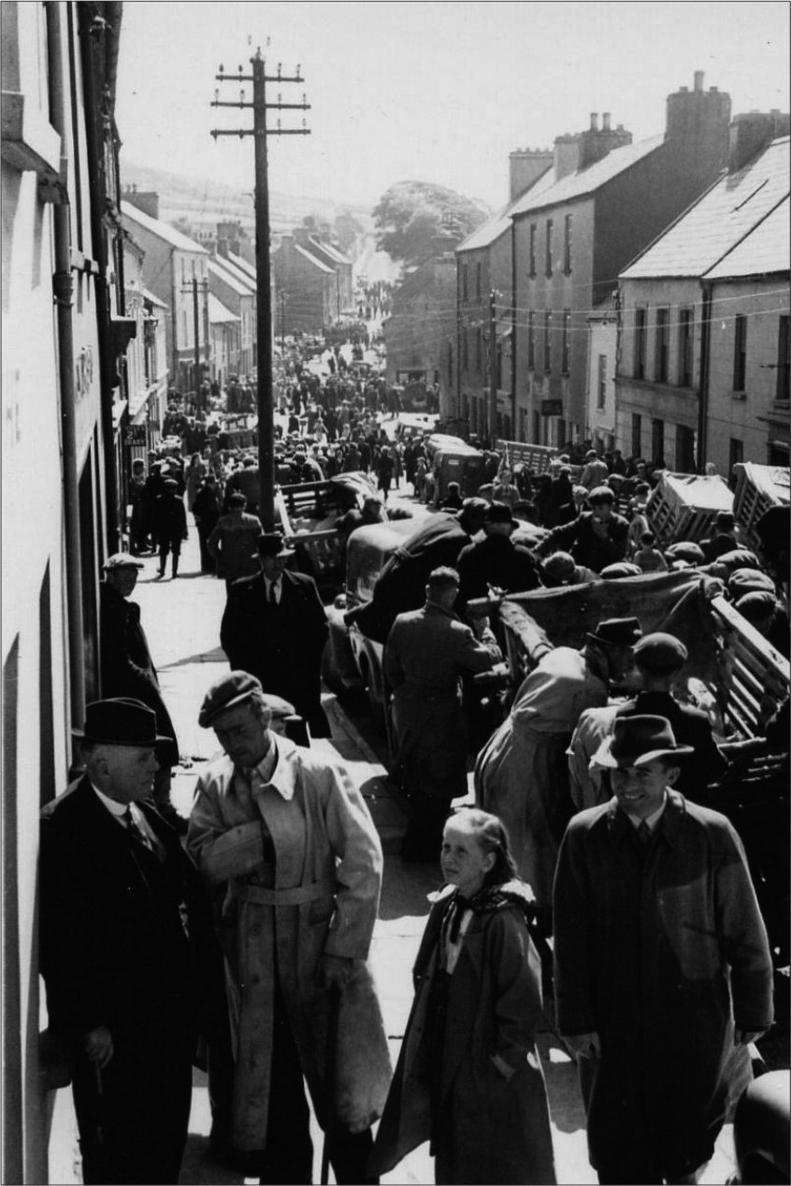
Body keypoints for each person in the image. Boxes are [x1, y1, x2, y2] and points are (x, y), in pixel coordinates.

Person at [553, 714, 774, 1186]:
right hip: (611, 1028)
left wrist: (754, 1013)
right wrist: (575, 1020)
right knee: (618, 1151)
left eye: (641, 773)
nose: (627, 785)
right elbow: (569, 939)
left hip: (692, 1025)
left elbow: (745, 931)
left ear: (672, 774)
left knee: (686, 1147)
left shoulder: (710, 834)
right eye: (618, 773)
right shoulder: (583, 836)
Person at [187, 672, 387, 1184]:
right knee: (272, 1100)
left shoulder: (319, 773)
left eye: (240, 730)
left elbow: (363, 864)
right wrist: (266, 835)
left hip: (320, 954)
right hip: (254, 962)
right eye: (222, 736)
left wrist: (344, 951)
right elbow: (202, 861)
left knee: (344, 1100)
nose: (234, 745)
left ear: (263, 717)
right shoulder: (214, 783)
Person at [39, 698, 215, 1185]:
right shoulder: (67, 829)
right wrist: (88, 1023)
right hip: (115, 1043)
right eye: (143, 757)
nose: (156, 767)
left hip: (165, 1031)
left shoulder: (143, 815)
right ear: (100, 764)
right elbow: (61, 941)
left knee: (162, 1153)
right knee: (119, 1160)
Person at [372, 808, 556, 1185]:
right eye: (445, 847)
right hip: (450, 1048)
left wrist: (503, 1061)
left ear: (489, 861)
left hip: (487, 1059)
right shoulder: (450, 905)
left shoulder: (503, 918)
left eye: (461, 852)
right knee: (456, 1146)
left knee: (496, 1155)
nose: (448, 858)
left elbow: (523, 994)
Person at [475, 616, 642, 928]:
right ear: (608, 651)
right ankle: (527, 920)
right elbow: (592, 726)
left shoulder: (564, 654)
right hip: (527, 766)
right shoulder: (588, 687)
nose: (630, 664)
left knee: (511, 838)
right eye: (627, 656)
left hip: (505, 746)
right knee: (532, 844)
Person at [384, 567, 504, 862]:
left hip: (410, 711)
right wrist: (485, 629)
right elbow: (488, 660)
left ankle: (421, 845)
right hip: (442, 717)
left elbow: (390, 670)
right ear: (452, 595)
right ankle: (420, 849)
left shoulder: (402, 622)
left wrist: (408, 696)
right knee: (439, 786)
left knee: (417, 777)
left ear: (428, 591)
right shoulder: (456, 631)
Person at [567, 632, 728, 811]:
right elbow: (716, 768)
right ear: (675, 673)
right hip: (686, 810)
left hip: (640, 807)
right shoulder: (696, 719)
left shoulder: (624, 714)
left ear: (639, 669)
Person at [220, 531, 331, 737]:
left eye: (282, 558)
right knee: (265, 735)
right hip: (261, 680)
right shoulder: (242, 591)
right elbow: (230, 637)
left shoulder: (304, 585)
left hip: (297, 678)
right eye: (272, 559)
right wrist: (245, 674)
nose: (278, 564)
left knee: (297, 736)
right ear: (261, 560)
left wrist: (308, 663)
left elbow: (320, 629)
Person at [99, 553, 180, 819]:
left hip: (139, 684)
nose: (131, 580)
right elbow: (119, 658)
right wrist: (145, 681)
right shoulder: (113, 609)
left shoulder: (123, 606)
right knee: (159, 743)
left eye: (134, 575)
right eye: (125, 574)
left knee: (158, 745)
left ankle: (158, 805)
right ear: (110, 575)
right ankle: (158, 807)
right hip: (131, 689)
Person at [346, 498, 489, 644]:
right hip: (402, 584)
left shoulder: (441, 518)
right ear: (474, 519)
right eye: (481, 524)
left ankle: (356, 615)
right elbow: (453, 581)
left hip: (390, 572)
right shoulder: (460, 538)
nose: (481, 530)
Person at [455, 501, 542, 618]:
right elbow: (534, 592)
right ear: (511, 530)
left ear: (485, 529)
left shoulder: (468, 553)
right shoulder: (523, 555)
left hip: (474, 620)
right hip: (517, 620)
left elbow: (459, 592)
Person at [536, 486, 629, 573]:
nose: (596, 512)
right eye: (593, 508)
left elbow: (619, 555)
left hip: (605, 571)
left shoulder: (621, 524)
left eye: (600, 508)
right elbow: (559, 532)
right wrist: (538, 551)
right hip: (580, 568)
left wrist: (604, 537)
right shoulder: (585, 518)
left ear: (611, 507)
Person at [207, 492, 263, 593]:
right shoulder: (254, 521)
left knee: (233, 596)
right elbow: (262, 542)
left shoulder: (223, 522)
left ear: (229, 507)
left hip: (230, 566)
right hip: (251, 565)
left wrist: (220, 556)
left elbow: (211, 543)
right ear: (244, 505)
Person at [152, 477, 188, 579]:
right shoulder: (178, 500)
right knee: (176, 551)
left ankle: (163, 570)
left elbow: (155, 516)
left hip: (163, 529)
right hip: (176, 529)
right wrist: (184, 530)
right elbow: (183, 516)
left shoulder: (159, 499)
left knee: (163, 550)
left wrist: (155, 529)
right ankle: (174, 572)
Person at [193, 472, 222, 574]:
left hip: (204, 523)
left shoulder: (202, 492)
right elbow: (212, 510)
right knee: (210, 544)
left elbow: (195, 508)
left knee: (204, 545)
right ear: (212, 483)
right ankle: (210, 566)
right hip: (209, 523)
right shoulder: (208, 494)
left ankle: (206, 565)